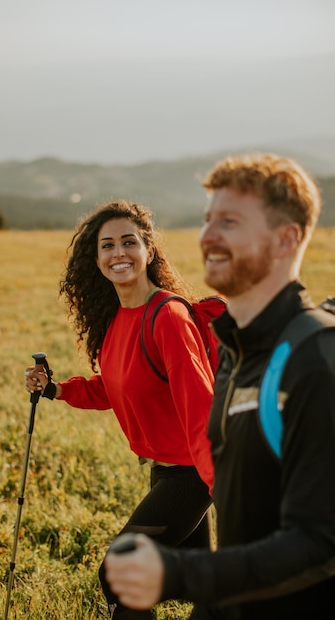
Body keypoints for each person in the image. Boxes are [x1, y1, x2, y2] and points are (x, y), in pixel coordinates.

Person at [104, 154, 335, 619]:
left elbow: (320, 543)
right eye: (208, 219)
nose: (208, 235)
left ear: (287, 239)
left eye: (229, 222)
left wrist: (177, 575)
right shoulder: (233, 352)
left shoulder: (315, 359)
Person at [25, 199, 216, 619]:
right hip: (165, 469)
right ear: (96, 260)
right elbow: (114, 389)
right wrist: (56, 389)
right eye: (107, 246)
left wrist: (225, 486)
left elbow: (202, 408)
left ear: (149, 250)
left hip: (193, 473)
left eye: (129, 242)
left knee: (119, 574)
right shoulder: (117, 321)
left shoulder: (168, 316)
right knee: (202, 586)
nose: (119, 253)